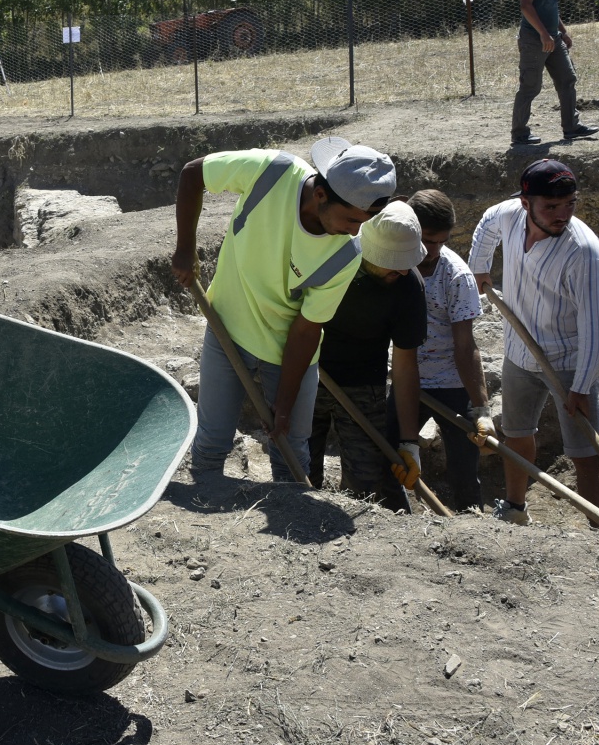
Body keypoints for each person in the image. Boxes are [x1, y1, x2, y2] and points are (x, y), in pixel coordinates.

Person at [171, 137, 398, 483]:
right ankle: (207, 501)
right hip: (227, 326)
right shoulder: (273, 172)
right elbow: (193, 174)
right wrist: (185, 248)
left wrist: (285, 406)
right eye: (351, 219)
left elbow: (306, 330)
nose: (356, 231)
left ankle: (291, 522)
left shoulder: (346, 254)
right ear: (321, 194)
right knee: (212, 441)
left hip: (287, 349)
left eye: (365, 221)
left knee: (291, 452)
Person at [468, 159, 599, 524]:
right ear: (526, 203)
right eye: (551, 206)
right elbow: (487, 222)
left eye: (570, 204)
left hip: (567, 362)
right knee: (516, 436)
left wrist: (581, 385)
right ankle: (515, 509)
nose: (563, 214)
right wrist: (479, 265)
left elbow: (594, 326)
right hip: (518, 352)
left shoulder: (584, 253)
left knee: (586, 452)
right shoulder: (510, 216)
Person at [309, 201, 429, 509]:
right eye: (394, 263)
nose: (403, 270)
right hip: (308, 372)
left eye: (407, 262)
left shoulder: (408, 287)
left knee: (364, 484)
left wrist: (408, 442)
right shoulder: (330, 258)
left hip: (365, 388)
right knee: (299, 471)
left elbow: (404, 367)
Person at [410, 190, 494, 512]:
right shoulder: (397, 262)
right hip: (409, 382)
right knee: (387, 449)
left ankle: (471, 525)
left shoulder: (456, 277)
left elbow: (465, 346)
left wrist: (481, 408)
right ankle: (392, 517)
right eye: (427, 240)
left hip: (451, 387)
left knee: (463, 469)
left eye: (441, 241)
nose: (433, 250)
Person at [513, 0, 599, 147]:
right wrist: (543, 33)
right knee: (530, 87)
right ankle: (519, 134)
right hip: (534, 40)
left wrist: (562, 32)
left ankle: (571, 127)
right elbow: (526, 6)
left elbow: (550, 5)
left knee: (567, 79)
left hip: (554, 38)